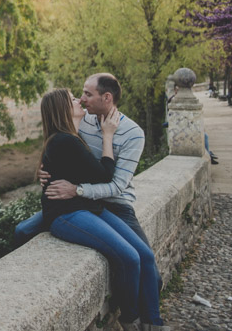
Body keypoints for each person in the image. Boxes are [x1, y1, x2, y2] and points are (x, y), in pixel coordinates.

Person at [38, 88, 168, 331]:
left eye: (82, 95)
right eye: (74, 99)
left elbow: (68, 170)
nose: (79, 100)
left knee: (142, 255)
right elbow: (105, 175)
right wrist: (108, 136)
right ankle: (131, 320)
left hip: (90, 207)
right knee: (129, 258)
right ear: (63, 109)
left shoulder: (73, 135)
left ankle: (154, 324)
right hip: (67, 214)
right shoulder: (65, 140)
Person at [16, 74, 153, 249]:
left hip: (114, 203)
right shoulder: (81, 119)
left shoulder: (133, 133)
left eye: (88, 94)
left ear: (106, 97)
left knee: (144, 255)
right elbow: (60, 144)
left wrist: (77, 190)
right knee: (23, 230)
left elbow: (117, 185)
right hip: (78, 202)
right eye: (81, 94)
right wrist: (45, 170)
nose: (81, 99)